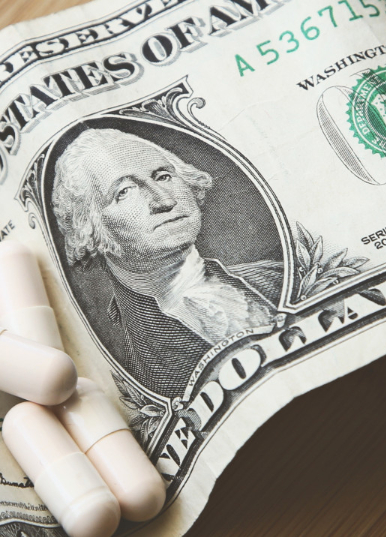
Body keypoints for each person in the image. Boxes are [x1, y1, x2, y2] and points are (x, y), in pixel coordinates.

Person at [51, 128, 281, 395]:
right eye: (124, 191)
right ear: (90, 227)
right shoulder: (137, 365)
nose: (164, 200)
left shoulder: (275, 277)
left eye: (163, 176)